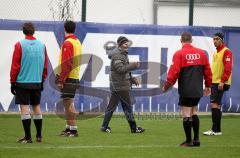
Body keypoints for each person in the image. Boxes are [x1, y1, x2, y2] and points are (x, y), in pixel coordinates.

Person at [162, 32, 212, 147]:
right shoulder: (202, 53)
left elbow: (173, 73)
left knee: (186, 114)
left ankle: (189, 141)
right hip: (198, 90)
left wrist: (166, 86)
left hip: (186, 89)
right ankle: (196, 139)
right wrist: (208, 85)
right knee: (194, 112)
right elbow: (208, 72)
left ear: (181, 41)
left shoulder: (179, 54)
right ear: (191, 40)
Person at [10, 22, 48, 143]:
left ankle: (28, 137)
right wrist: (42, 79)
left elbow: (15, 65)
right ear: (33, 31)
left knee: (24, 108)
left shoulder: (19, 45)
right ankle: (39, 136)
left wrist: (12, 81)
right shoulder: (42, 45)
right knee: (37, 106)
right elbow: (45, 65)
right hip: (37, 81)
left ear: (23, 31)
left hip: (23, 82)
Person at [100, 36, 145, 133]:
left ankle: (104, 126)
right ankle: (134, 128)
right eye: (125, 43)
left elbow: (123, 70)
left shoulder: (122, 54)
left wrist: (131, 79)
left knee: (111, 107)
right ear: (120, 44)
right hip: (120, 86)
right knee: (127, 107)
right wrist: (133, 65)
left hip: (119, 85)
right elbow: (120, 69)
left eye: (128, 43)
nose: (127, 45)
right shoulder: (118, 55)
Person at [55, 20, 82, 137]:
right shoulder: (77, 42)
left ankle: (73, 130)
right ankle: (68, 128)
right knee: (68, 103)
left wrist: (61, 80)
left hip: (69, 77)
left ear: (64, 28)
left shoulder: (68, 43)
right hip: (74, 76)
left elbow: (67, 63)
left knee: (68, 104)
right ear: (74, 29)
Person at [203, 32, 233, 136]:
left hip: (220, 82)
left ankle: (214, 129)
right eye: (214, 39)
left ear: (222, 40)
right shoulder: (216, 53)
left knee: (214, 104)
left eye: (217, 39)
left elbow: (228, 68)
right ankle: (217, 130)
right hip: (215, 82)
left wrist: (222, 81)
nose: (214, 41)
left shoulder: (226, 51)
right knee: (217, 105)